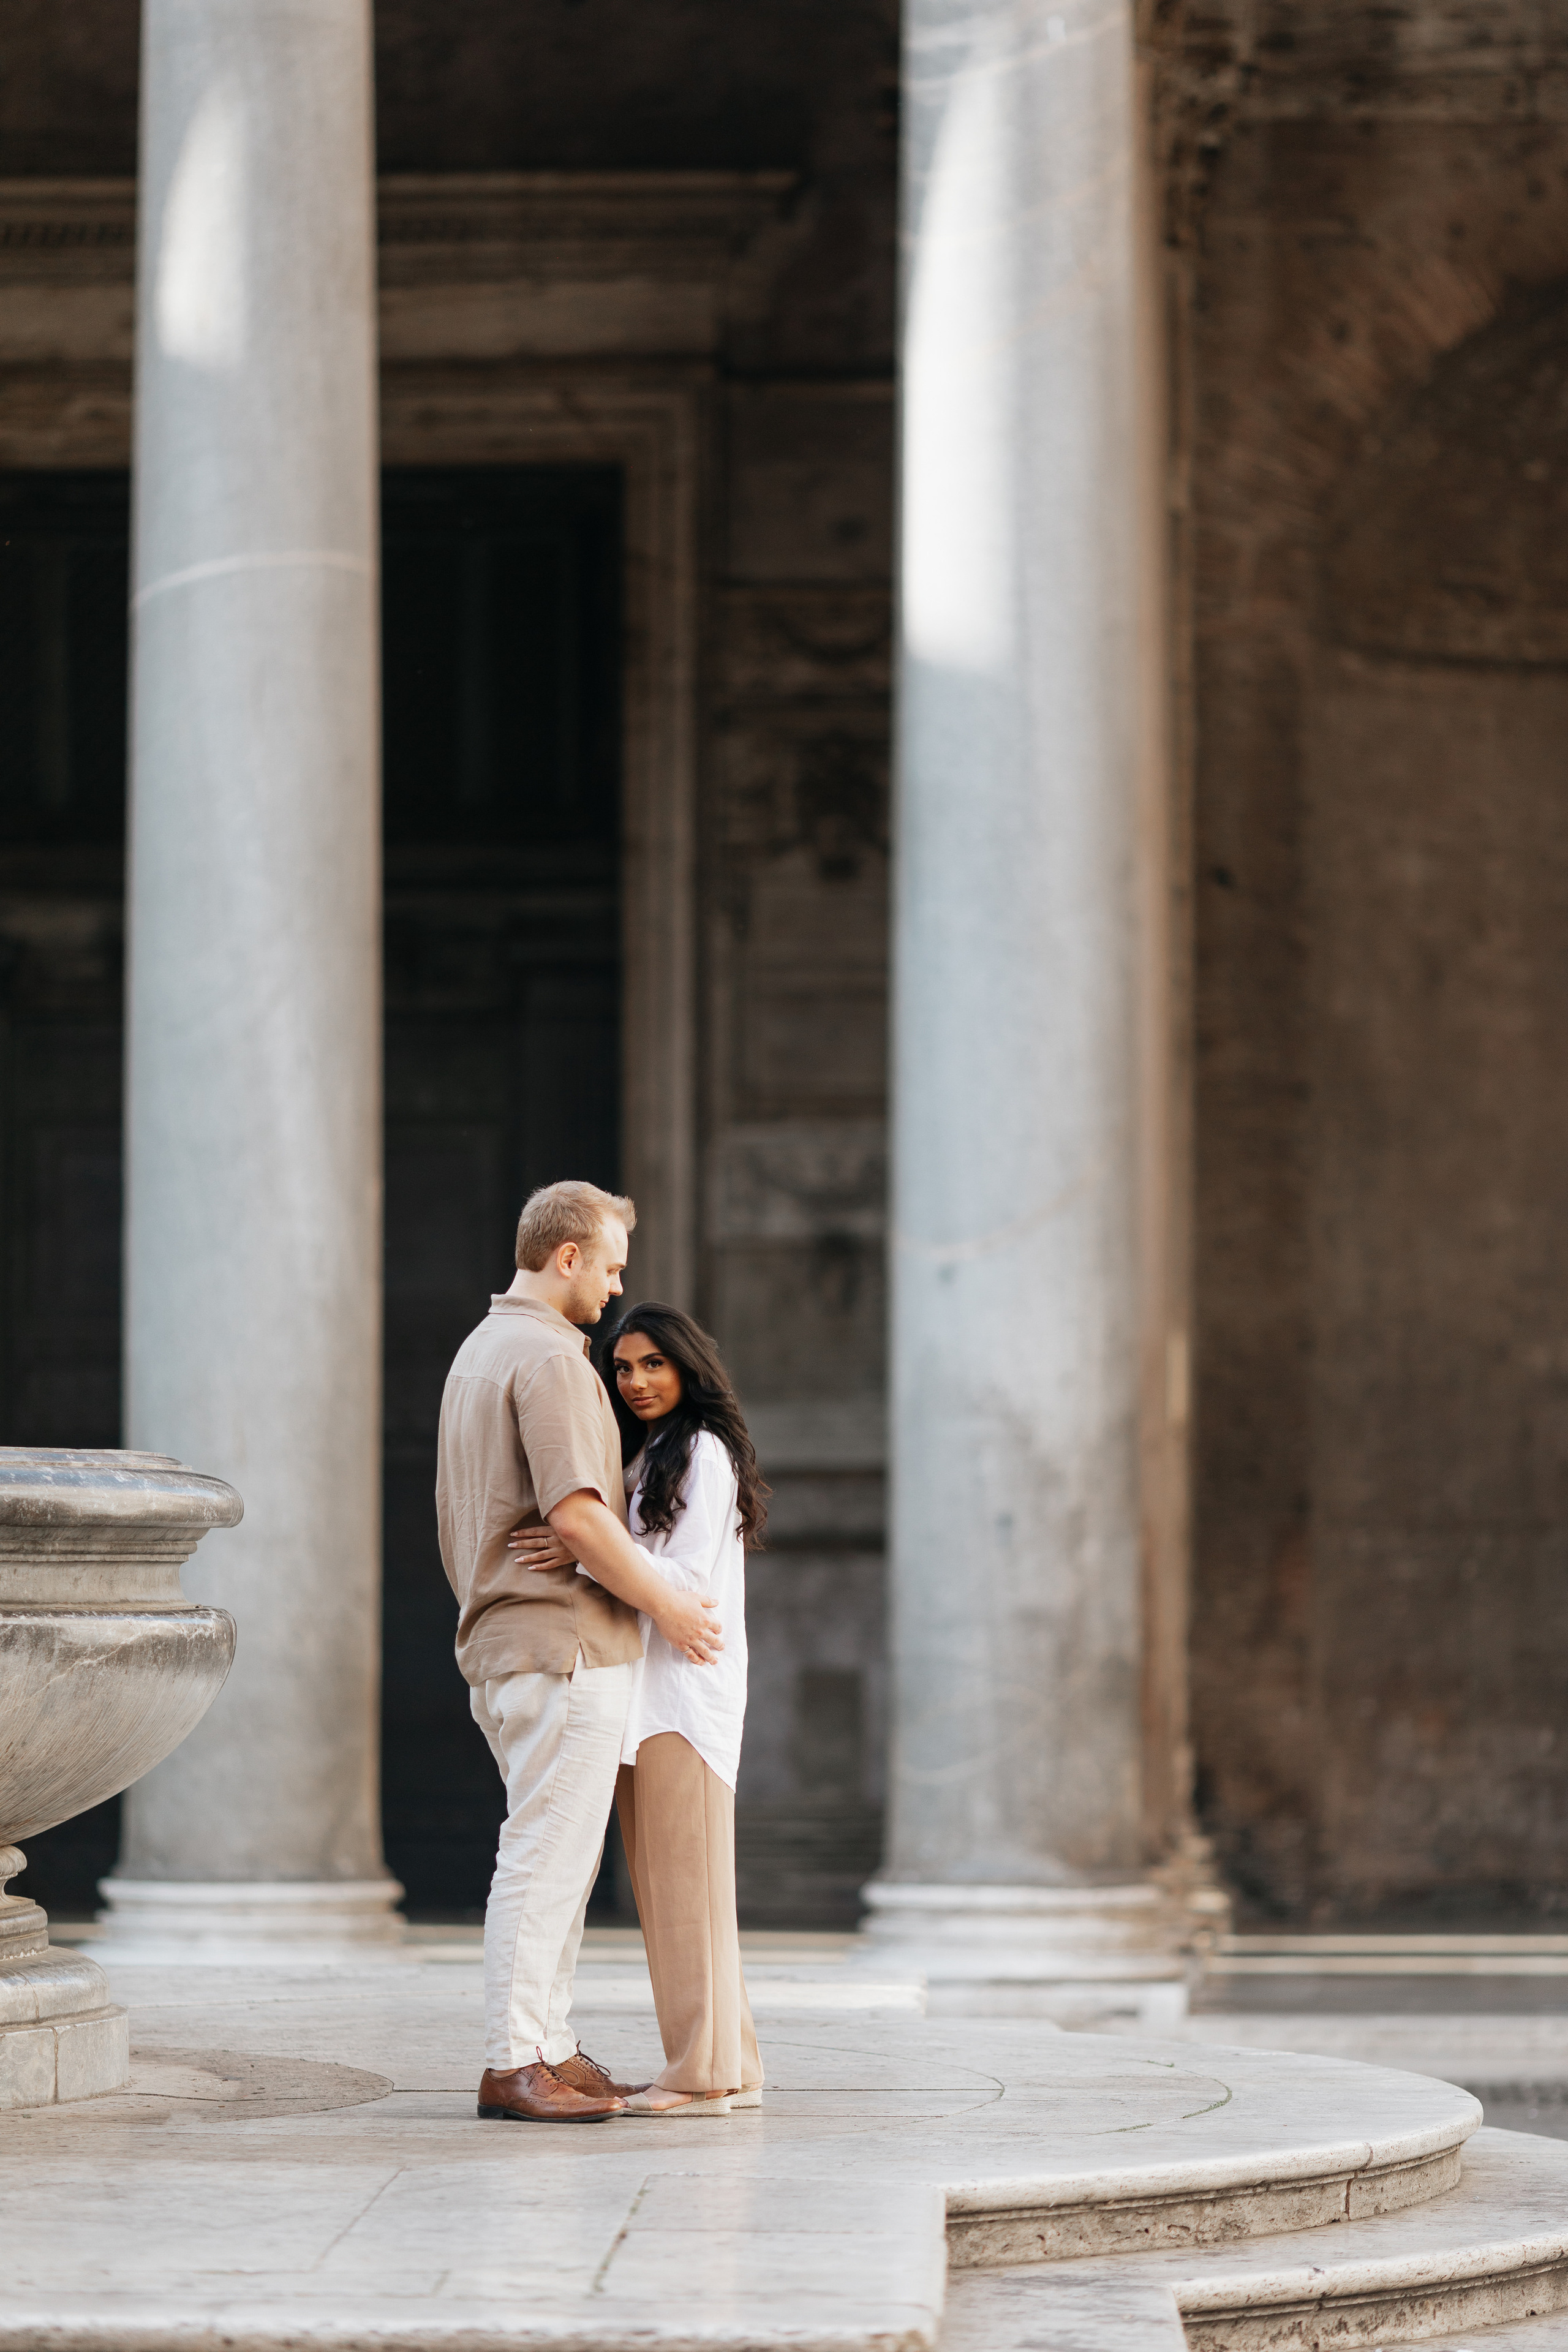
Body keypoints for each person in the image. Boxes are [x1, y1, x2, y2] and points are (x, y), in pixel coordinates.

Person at [435, 1181, 723, 2126]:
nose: (612, 1286)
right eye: (608, 1265)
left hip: (511, 1640)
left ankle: (550, 2047)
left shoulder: (482, 1350)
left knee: (556, 1856)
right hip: (560, 1642)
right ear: (567, 1257)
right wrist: (671, 1606)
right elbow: (576, 1514)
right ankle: (515, 2062)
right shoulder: (553, 1359)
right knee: (546, 1859)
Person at [512, 1301, 766, 2113]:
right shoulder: (657, 1451)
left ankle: (699, 2076)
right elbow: (642, 1556)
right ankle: (737, 2064)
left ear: (687, 1367)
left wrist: (589, 1555)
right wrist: (596, 1543)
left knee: (682, 1894)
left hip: (682, 1700)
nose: (635, 1381)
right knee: (684, 1893)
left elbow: (686, 1586)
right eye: (622, 1367)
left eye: (653, 1363)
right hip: (652, 1695)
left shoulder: (702, 1450)